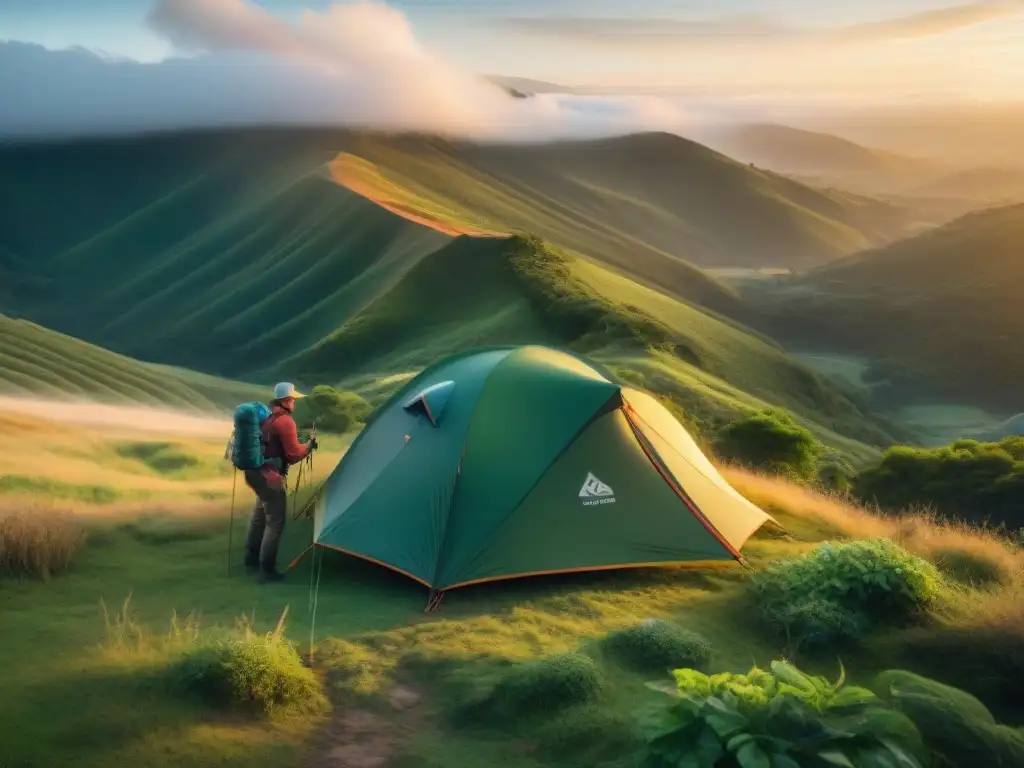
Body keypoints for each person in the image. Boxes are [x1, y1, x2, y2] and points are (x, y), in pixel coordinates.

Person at [243, 382, 317, 583]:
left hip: (254, 472)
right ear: (285, 400)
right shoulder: (285, 422)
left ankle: (250, 559)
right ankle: (267, 572)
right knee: (275, 522)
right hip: (271, 477)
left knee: (259, 515)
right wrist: (309, 445)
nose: (294, 402)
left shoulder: (265, 417)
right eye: (292, 399)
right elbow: (293, 455)